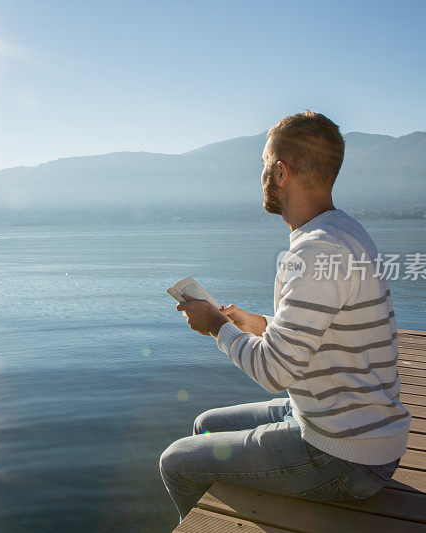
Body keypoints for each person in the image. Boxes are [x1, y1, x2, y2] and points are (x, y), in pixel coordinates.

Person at [160, 111, 409, 520]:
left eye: (263, 165)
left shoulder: (314, 252)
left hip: (344, 456)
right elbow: (327, 335)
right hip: (354, 425)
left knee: (176, 461)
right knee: (206, 424)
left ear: (280, 172)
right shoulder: (344, 232)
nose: (260, 175)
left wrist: (216, 328)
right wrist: (256, 324)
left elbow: (274, 373)